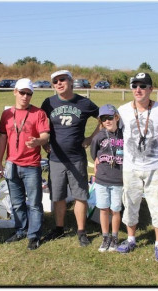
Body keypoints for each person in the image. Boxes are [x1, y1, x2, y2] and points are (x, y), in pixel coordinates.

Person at [41, 69, 99, 247]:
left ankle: (81, 231)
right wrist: (44, 144)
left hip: (76, 158)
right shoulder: (48, 103)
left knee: (80, 196)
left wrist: (91, 138)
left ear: (71, 81)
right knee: (57, 195)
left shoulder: (84, 102)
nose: (59, 83)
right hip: (56, 158)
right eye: (55, 81)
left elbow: (103, 119)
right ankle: (59, 227)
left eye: (62, 80)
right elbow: (41, 125)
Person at [116, 72, 158, 263]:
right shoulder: (122, 110)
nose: (138, 90)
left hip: (154, 166)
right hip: (130, 167)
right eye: (135, 86)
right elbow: (110, 130)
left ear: (150, 89)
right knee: (130, 202)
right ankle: (131, 239)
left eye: (142, 86)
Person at [0, 78, 50, 251]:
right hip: (11, 164)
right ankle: (21, 229)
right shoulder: (7, 114)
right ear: (15, 92)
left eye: (29, 94)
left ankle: (34, 235)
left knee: (34, 202)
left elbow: (45, 136)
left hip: (31, 165)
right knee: (17, 202)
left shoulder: (39, 113)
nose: (25, 97)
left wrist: (38, 142)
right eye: (22, 93)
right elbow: (2, 138)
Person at [90, 104, 123, 252]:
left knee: (115, 209)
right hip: (102, 179)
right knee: (103, 208)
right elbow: (93, 153)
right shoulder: (99, 137)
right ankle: (105, 237)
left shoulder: (124, 135)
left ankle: (115, 237)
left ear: (116, 117)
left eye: (110, 117)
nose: (107, 121)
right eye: (104, 119)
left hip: (118, 180)